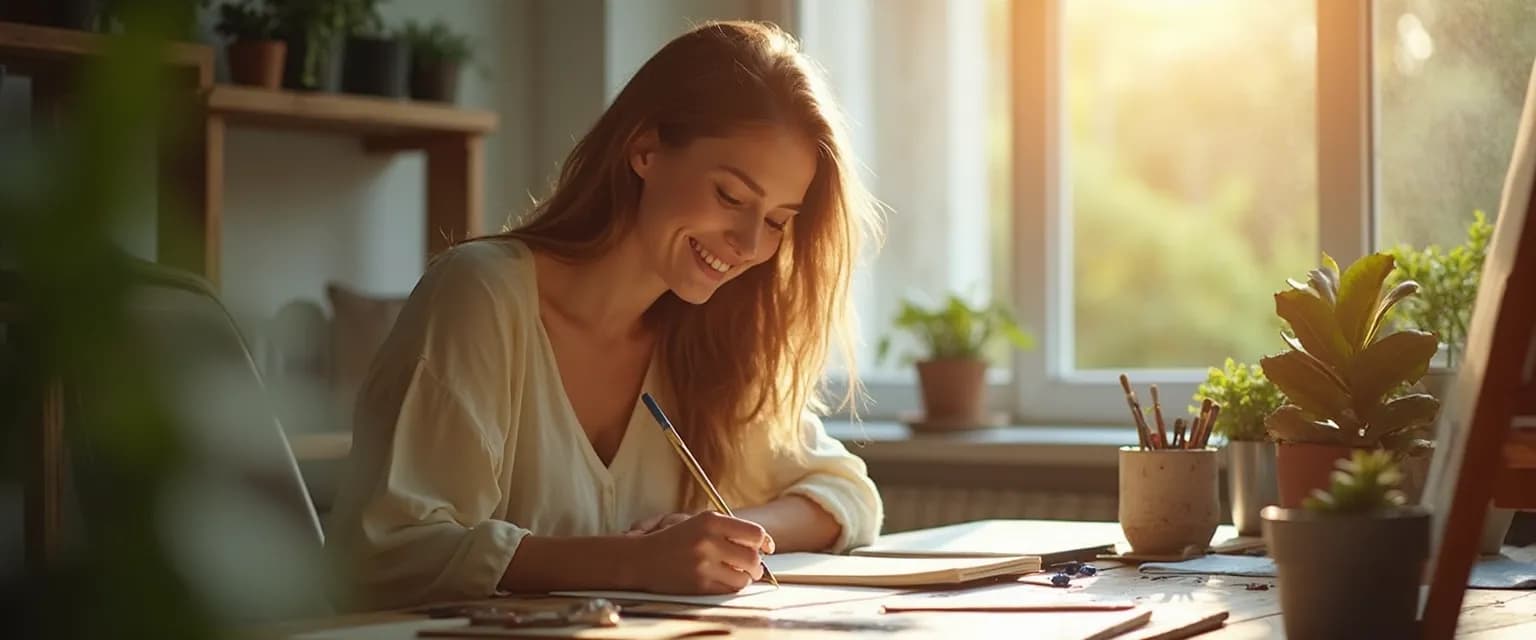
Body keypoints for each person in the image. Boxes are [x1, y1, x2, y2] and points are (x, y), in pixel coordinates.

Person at [325, 20, 884, 610]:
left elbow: (847, 494)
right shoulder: (481, 295)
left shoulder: (709, 340)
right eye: (731, 197)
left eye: (776, 220)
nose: (749, 243)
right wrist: (634, 562)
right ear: (644, 151)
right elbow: (387, 551)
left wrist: (724, 538)